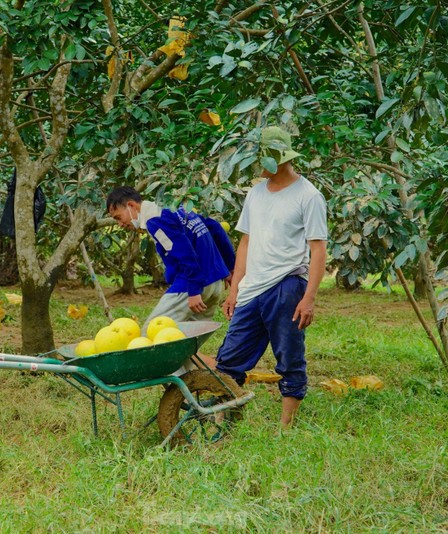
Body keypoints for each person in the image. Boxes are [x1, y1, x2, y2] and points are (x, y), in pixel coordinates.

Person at [215, 126, 328, 428]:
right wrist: (234, 289)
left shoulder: (308, 196)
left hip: (287, 286)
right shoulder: (255, 193)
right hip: (252, 289)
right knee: (229, 359)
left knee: (290, 358)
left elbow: (318, 250)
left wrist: (308, 299)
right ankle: (227, 419)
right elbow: (246, 242)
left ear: (276, 159)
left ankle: (285, 428)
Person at [106, 186, 235, 338]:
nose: (120, 224)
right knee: (184, 339)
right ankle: (197, 363)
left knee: (151, 334)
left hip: (192, 285)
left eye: (118, 217)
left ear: (131, 206)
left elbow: (185, 253)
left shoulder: (155, 219)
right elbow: (215, 227)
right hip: (215, 284)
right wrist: (230, 267)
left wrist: (193, 291)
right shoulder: (176, 206)